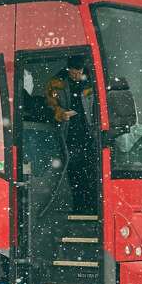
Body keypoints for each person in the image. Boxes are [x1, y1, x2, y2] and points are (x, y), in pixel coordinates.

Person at [45, 54, 98, 213]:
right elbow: (49, 104)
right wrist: (61, 114)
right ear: (68, 69)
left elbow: (98, 107)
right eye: (73, 72)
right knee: (74, 172)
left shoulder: (93, 82)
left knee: (92, 171)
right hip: (69, 134)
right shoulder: (56, 83)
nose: (76, 75)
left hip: (90, 134)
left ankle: (93, 207)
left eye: (79, 71)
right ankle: (79, 207)